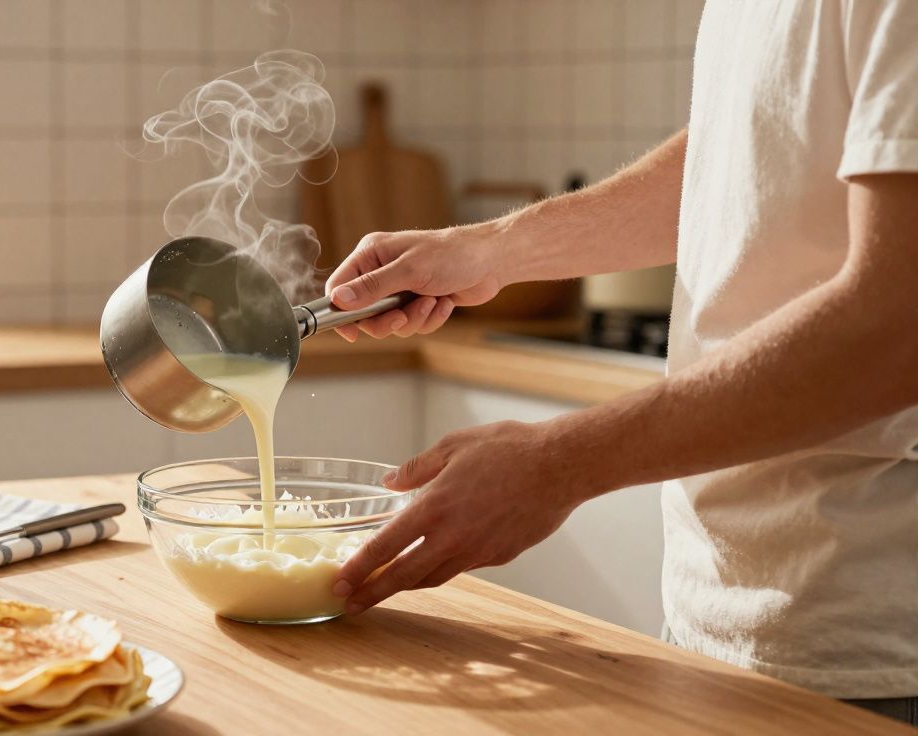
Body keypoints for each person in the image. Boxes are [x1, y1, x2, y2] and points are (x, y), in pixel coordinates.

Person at [324, 0, 917, 724]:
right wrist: (496, 247)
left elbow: (896, 327)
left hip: (874, 646)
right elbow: (748, 148)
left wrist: (556, 464)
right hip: (718, 618)